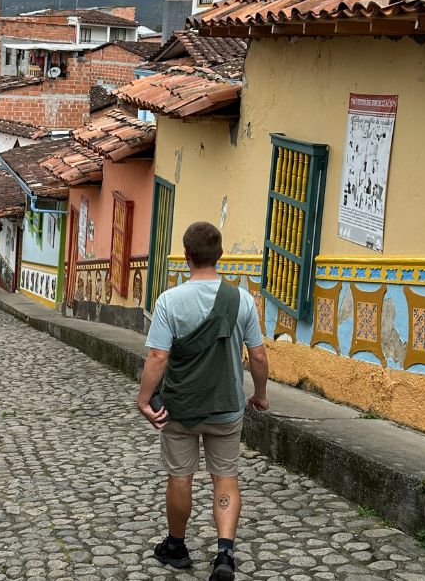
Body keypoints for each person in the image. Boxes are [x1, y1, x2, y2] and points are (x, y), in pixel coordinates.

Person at [137, 221, 269, 581]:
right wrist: (259, 395)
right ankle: (224, 554)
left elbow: (158, 358)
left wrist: (144, 399)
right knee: (225, 478)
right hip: (226, 406)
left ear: (187, 255)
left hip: (181, 407)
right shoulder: (242, 299)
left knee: (181, 477)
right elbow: (257, 355)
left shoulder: (170, 301)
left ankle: (176, 547)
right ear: (220, 255)